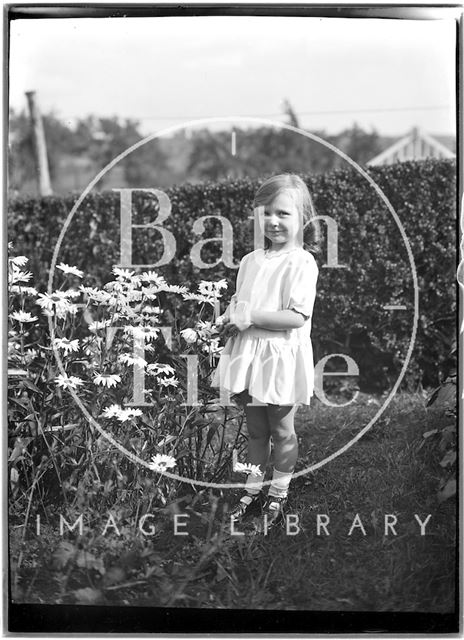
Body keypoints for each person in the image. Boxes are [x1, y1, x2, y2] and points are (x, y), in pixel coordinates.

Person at [211, 173, 321, 531]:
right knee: (255, 430)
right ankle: (253, 488)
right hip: (249, 354)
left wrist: (249, 318)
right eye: (266, 212)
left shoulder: (301, 263)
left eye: (283, 213)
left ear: (303, 218)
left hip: (280, 357)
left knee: (281, 429)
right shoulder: (249, 260)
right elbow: (241, 303)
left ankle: (279, 491)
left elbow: (295, 316)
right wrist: (228, 318)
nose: (273, 221)